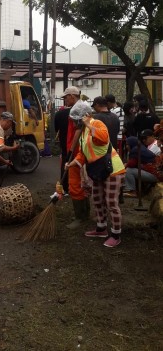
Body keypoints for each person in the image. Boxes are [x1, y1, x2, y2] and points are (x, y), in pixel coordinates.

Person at [65, 101, 125, 248]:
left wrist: (89, 125)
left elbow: (103, 138)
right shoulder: (84, 132)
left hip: (112, 169)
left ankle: (116, 234)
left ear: (84, 117)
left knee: (111, 203)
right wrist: (72, 163)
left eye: (76, 120)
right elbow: (82, 153)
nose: (74, 123)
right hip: (98, 171)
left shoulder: (97, 124)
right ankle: (101, 228)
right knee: (97, 200)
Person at [59, 86, 90, 228]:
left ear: (72, 96)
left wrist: (70, 153)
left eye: (65, 97)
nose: (64, 100)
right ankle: (85, 213)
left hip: (77, 152)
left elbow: (77, 131)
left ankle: (80, 217)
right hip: (83, 151)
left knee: (75, 184)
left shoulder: (76, 109)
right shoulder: (85, 106)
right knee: (83, 182)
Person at [54, 104, 71, 194]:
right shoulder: (77, 112)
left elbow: (56, 128)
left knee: (65, 161)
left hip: (64, 141)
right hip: (76, 141)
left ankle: (65, 187)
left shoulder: (59, 114)